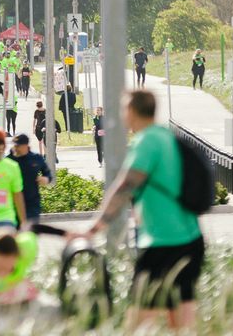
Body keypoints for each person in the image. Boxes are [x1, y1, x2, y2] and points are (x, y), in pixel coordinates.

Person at [83, 90, 204, 330]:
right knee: (181, 322)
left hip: (162, 242)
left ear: (131, 111)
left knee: (139, 321)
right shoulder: (165, 136)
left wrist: (95, 227)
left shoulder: (146, 141)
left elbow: (124, 187)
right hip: (189, 238)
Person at [7, 133, 52, 223]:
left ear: (26, 145)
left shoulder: (36, 158)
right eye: (15, 145)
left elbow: (48, 174)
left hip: (32, 201)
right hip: (13, 202)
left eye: (18, 145)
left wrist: (45, 179)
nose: (16, 148)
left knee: (31, 229)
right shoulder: (8, 160)